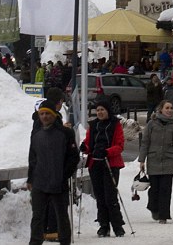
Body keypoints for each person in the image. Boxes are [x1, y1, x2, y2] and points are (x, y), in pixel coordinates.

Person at [27, 100, 79, 245]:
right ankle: (35, 242)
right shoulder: (36, 133)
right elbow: (32, 158)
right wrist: (31, 178)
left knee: (61, 216)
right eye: (42, 114)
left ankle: (64, 241)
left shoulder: (65, 133)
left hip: (58, 182)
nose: (44, 116)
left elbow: (73, 157)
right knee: (37, 216)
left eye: (47, 114)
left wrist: (64, 175)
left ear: (54, 115)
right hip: (39, 181)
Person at [82, 98, 126, 237]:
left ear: (108, 111)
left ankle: (117, 225)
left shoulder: (115, 124)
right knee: (100, 197)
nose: (100, 112)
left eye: (102, 110)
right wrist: (85, 147)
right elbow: (88, 143)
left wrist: (107, 151)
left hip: (110, 164)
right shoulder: (93, 125)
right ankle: (104, 225)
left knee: (110, 197)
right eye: (98, 110)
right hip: (95, 164)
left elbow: (120, 145)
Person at [138, 99, 173, 224]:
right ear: (161, 109)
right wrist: (142, 160)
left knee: (166, 189)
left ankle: (163, 215)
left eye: (171, 108)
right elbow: (145, 142)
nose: (169, 110)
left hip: (168, 160)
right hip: (154, 160)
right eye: (167, 108)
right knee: (154, 189)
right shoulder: (152, 124)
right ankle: (154, 207)